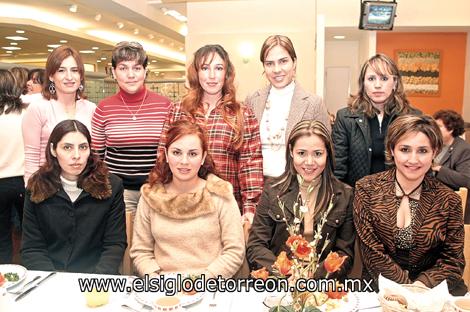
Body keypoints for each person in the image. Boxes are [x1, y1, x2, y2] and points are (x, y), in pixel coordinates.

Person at [354, 115, 467, 295]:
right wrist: (405, 289)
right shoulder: (367, 189)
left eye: (422, 151)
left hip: (431, 292)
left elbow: (453, 261)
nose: (413, 160)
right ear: (392, 150)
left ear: (435, 152)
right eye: (405, 149)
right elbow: (372, 253)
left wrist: (420, 287)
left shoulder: (449, 200)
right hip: (380, 289)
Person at [159, 44, 263, 235]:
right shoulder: (177, 110)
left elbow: (251, 165)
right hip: (181, 206)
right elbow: (162, 158)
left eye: (218, 68)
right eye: (205, 68)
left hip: (226, 208)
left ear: (227, 73)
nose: (212, 76)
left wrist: (250, 208)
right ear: (196, 73)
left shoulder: (242, 114)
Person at [131, 120, 245, 277]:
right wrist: (154, 279)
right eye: (177, 152)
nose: (184, 161)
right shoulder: (151, 196)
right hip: (162, 288)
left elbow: (234, 251)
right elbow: (140, 251)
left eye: (193, 154)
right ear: (166, 154)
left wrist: (202, 281)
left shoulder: (220, 194)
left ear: (203, 157)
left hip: (209, 286)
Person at [247, 120, 354, 279]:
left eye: (317, 154)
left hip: (321, 286)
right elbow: (256, 247)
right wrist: (287, 272)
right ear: (291, 152)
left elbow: (345, 254)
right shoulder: (273, 191)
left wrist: (313, 276)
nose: (309, 162)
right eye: (301, 153)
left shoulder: (344, 195)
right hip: (277, 284)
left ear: (327, 154)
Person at [21, 120, 126, 274]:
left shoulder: (110, 185)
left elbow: (114, 244)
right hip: (50, 278)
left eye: (83, 147)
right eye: (67, 147)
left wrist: (94, 285)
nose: (76, 156)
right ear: (53, 150)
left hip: (96, 278)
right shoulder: (37, 185)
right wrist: (52, 283)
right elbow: (32, 248)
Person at [92, 41, 171, 212]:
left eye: (136, 68)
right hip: (117, 191)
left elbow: (171, 152)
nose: (130, 75)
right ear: (113, 72)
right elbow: (97, 156)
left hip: (157, 189)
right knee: (122, 238)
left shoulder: (165, 106)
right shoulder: (103, 108)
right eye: (123, 68)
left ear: (145, 71)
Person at [245, 35, 330, 179]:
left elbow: (325, 151)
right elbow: (245, 149)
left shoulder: (314, 103)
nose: (277, 69)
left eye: (283, 61)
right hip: (258, 184)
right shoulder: (252, 100)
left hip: (297, 184)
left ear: (294, 62)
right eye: (269, 63)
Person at [332, 53, 420, 187]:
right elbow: (338, 167)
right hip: (357, 196)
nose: (377, 85)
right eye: (371, 78)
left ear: (395, 82)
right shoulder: (345, 117)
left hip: (400, 196)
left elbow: (421, 164)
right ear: (363, 83)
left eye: (384, 78)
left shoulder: (413, 118)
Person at [22, 45, 96, 184]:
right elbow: (31, 158)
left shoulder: (91, 109)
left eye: (74, 70)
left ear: (81, 75)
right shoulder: (39, 108)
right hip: (48, 185)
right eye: (61, 70)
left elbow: (95, 153)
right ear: (51, 75)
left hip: (84, 186)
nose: (69, 77)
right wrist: (32, 191)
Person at [0, 70, 27, 263]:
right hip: (25, 181)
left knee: (2, 236)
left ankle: (4, 279)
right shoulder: (27, 112)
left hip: (0, 183)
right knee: (31, 233)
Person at [432, 109, 470, 222]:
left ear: (451, 129)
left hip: (451, 204)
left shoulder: (463, 149)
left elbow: (466, 180)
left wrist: (438, 168)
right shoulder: (436, 144)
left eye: (439, 126)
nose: (434, 129)